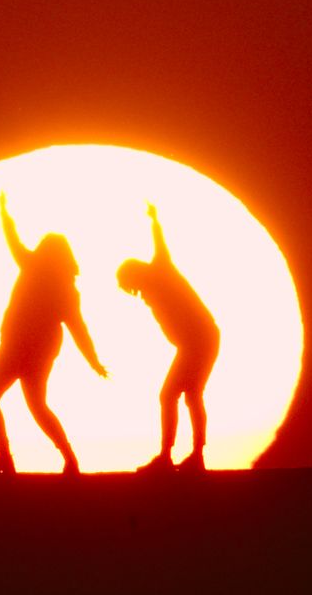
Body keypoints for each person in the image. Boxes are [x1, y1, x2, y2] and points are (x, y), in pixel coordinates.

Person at [0, 193, 108, 476]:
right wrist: (93, 361)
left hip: (21, 347)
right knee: (33, 405)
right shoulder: (62, 286)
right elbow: (78, 328)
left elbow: (78, 327)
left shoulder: (35, 269)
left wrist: (3, 212)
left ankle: (7, 458)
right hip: (37, 349)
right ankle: (65, 459)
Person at [117, 203, 219, 474]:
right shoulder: (150, 289)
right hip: (194, 342)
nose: (133, 292)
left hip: (200, 340)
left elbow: (160, 245)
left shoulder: (160, 270)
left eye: (130, 285)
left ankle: (174, 456)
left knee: (173, 395)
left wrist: (154, 220)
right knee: (188, 395)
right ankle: (190, 456)